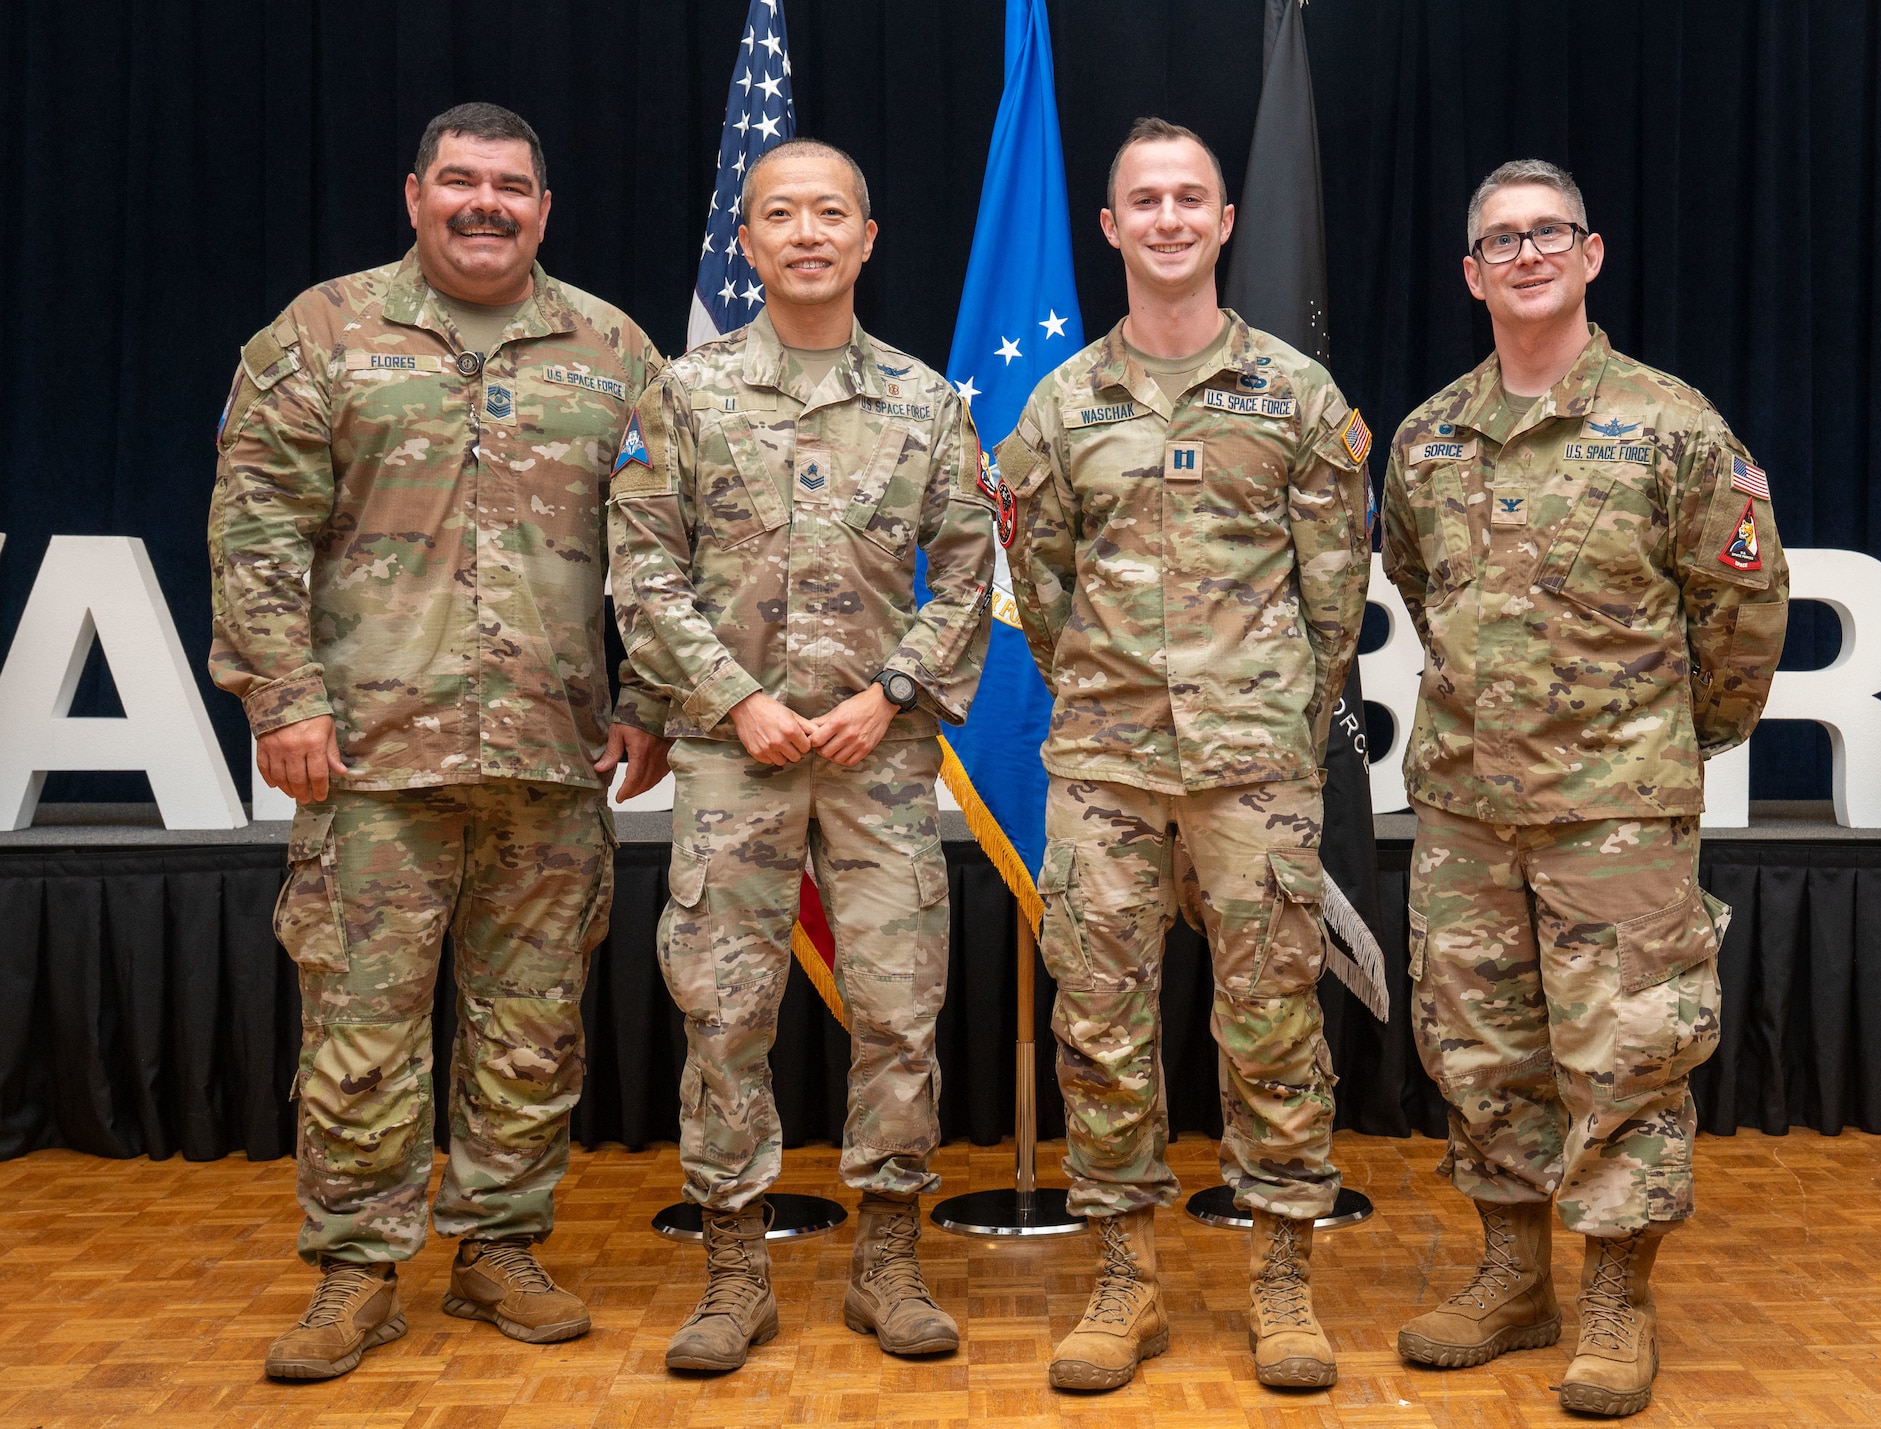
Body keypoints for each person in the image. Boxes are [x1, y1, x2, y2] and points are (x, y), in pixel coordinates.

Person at [209, 102, 669, 1382]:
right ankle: (357, 1272)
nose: (485, 203)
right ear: (413, 194)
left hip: (551, 754)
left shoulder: (613, 350)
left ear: (544, 208)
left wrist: (652, 700)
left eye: (510, 185)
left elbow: (663, 551)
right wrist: (283, 698)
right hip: (369, 755)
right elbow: (254, 530)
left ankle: (498, 1250)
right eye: (459, 181)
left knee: (531, 1027)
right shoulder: (322, 332)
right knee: (359, 1028)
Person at [1383, 159, 1789, 1417]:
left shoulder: (1672, 426)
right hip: (1462, 806)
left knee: (1624, 1057)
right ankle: (1513, 1274)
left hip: (1616, 809)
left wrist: (1657, 747)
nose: (1522, 255)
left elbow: (1741, 615)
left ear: (1590, 253)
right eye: (1497, 240)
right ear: (1468, 272)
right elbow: (1415, 585)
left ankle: (1615, 1293)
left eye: (1545, 232)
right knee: (1478, 1048)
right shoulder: (1426, 435)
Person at [995, 117, 1373, 1392]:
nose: (1165, 218)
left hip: (1254, 770)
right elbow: (1037, 594)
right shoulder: (1058, 406)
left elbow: (1335, 599)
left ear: (1221, 223)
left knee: (1268, 1026)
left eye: (1188, 198)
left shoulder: (1296, 398)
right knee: (1100, 1027)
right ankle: (1125, 1281)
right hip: (1100, 767)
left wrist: (1264, 719)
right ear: (1111, 228)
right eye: (1142, 200)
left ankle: (1279, 1279)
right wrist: (1114, 699)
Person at [607, 138, 996, 1374]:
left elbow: (970, 576)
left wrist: (889, 695)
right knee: (724, 1012)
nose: (809, 232)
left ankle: (887, 1259)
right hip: (737, 756)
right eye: (782, 214)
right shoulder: (680, 395)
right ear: (749, 240)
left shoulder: (928, 402)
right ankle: (734, 1269)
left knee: (898, 1009)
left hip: (877, 752)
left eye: (832, 212)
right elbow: (643, 570)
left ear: (867, 239)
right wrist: (729, 700)